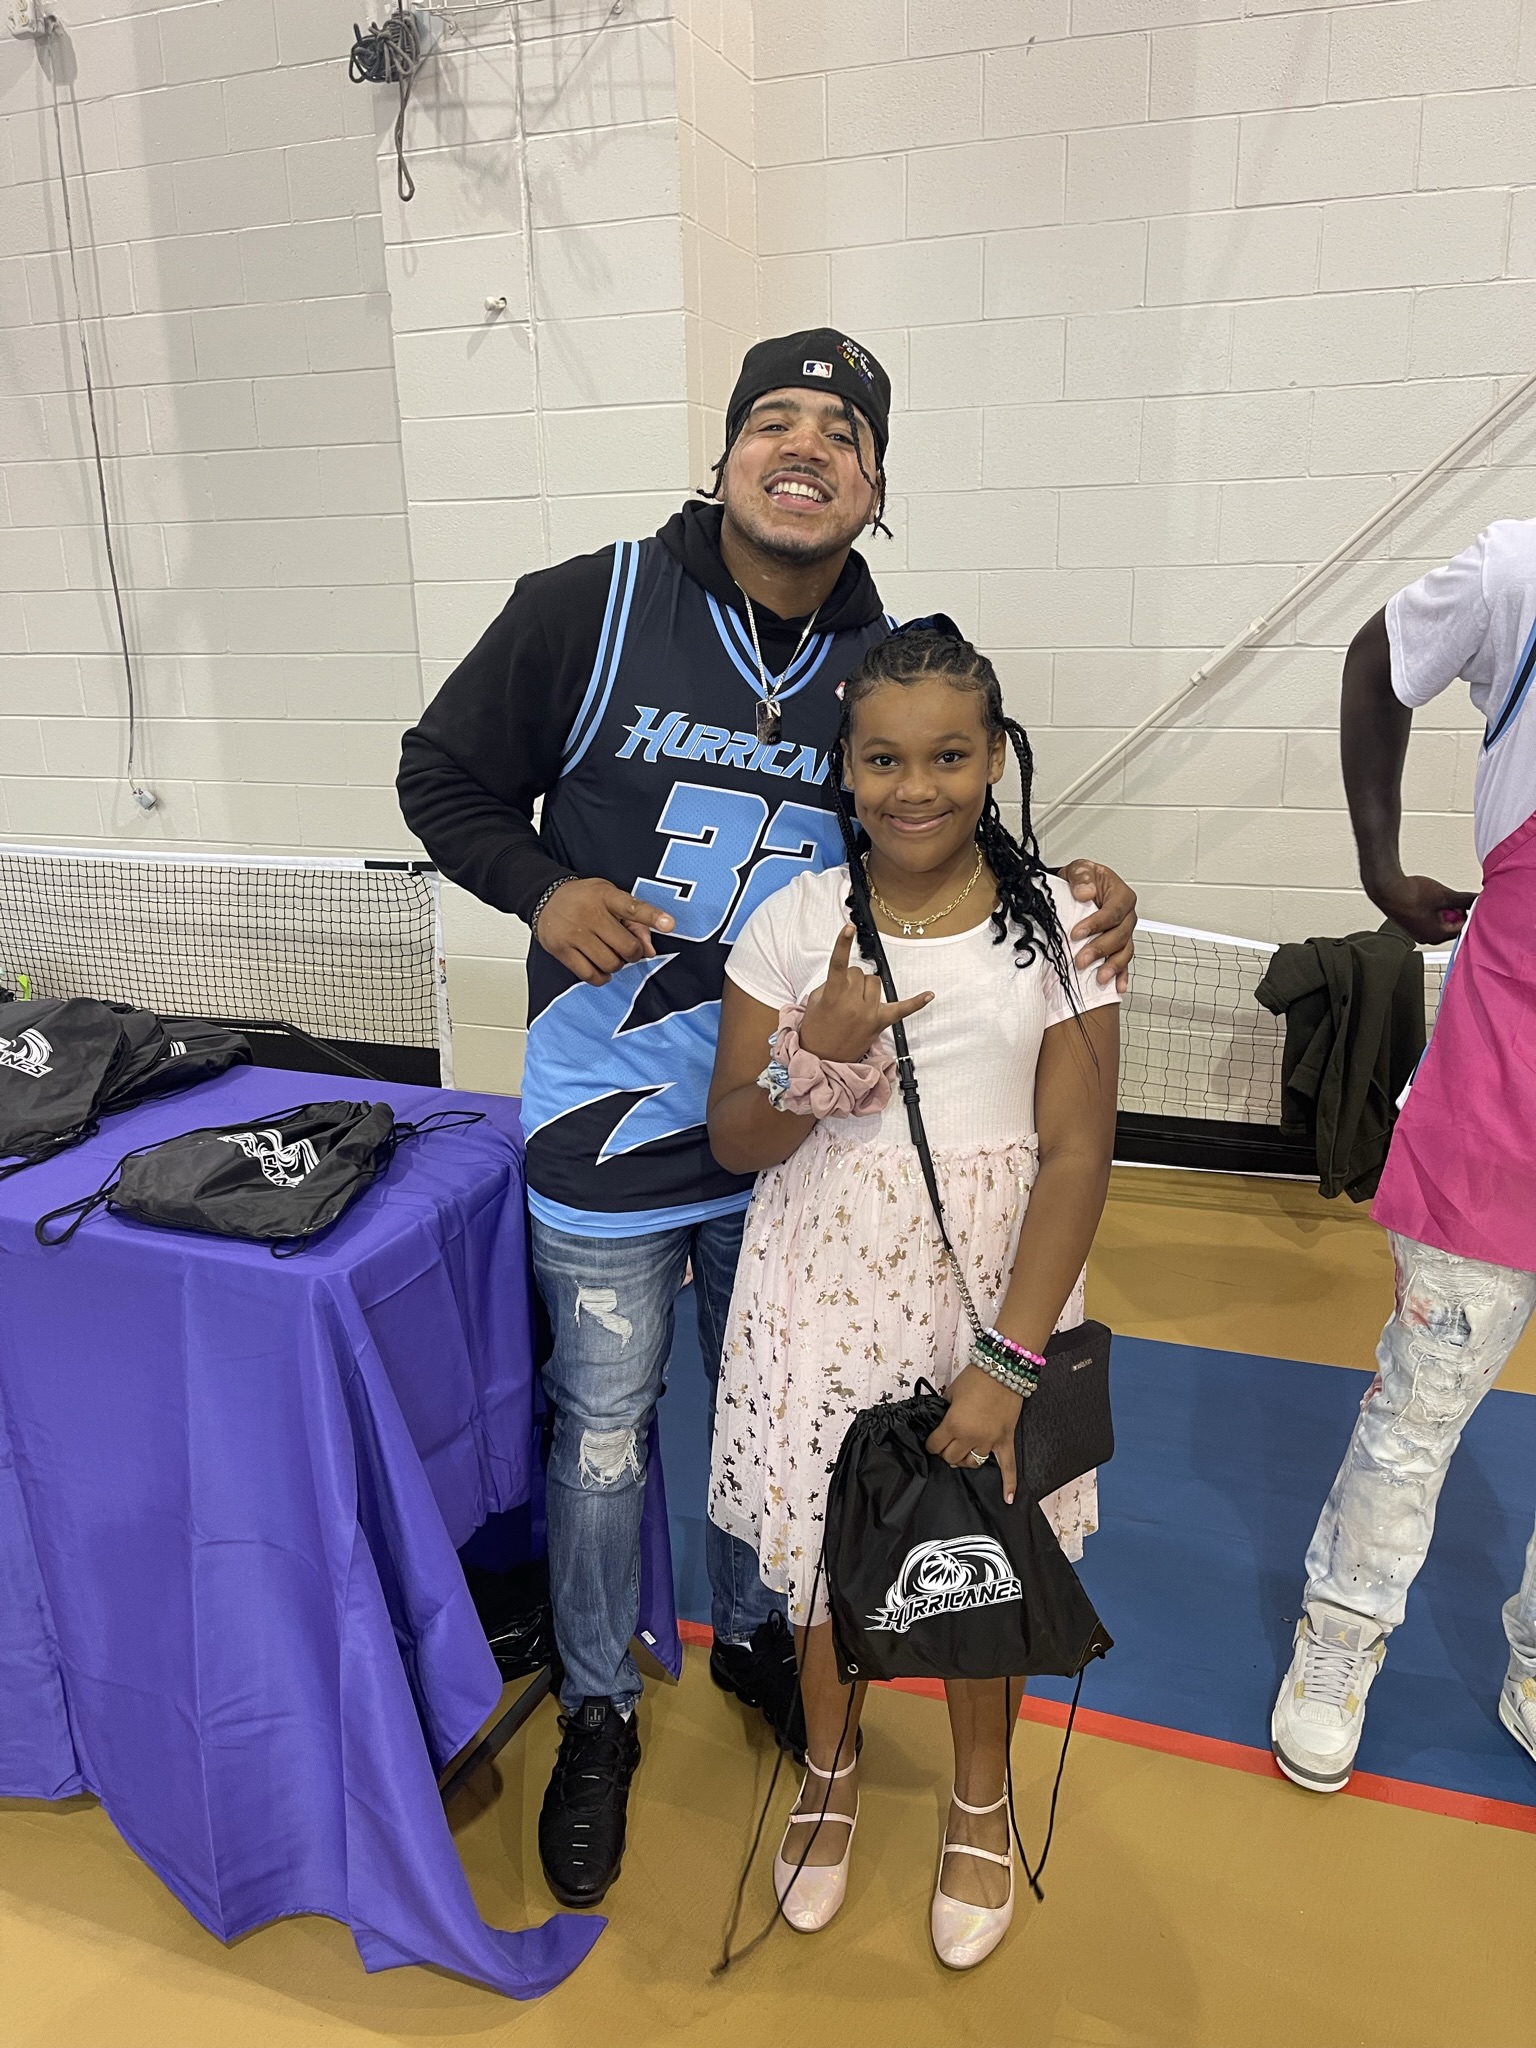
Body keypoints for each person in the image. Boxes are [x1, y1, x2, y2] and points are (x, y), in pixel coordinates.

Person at [397, 330, 1138, 1912]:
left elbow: (934, 816)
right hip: (611, 1123)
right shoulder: (586, 606)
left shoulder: (879, 651)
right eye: (774, 422)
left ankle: (761, 1643)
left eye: (842, 433)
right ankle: (599, 1708)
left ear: (874, 485)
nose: (805, 449)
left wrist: (1080, 887)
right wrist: (541, 887)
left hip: (805, 1153)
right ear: (726, 450)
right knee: (604, 1440)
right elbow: (439, 775)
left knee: (781, 1430)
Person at [705, 625, 1121, 1968]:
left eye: (949, 755)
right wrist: (810, 1061)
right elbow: (735, 1140)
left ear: (995, 757)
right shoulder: (793, 922)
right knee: (829, 1559)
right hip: (819, 1287)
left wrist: (1008, 1362)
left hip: (989, 1292)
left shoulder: (1061, 928)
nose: (916, 786)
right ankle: (829, 1772)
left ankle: (979, 1795)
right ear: (846, 764)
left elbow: (1078, 1151)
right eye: (883, 758)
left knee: (980, 1545)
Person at [1271, 519, 1536, 1794]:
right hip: (1507, 1082)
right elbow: (1379, 657)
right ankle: (1341, 1632)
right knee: (1419, 1407)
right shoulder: (1521, 571)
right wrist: (1377, 862)